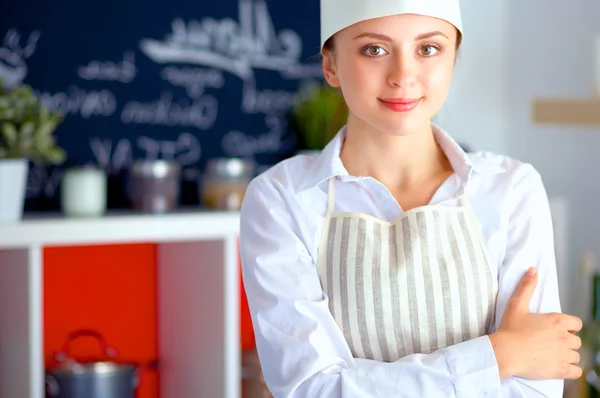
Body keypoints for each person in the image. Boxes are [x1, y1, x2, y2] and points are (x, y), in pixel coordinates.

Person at [239, 0, 583, 396]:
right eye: (374, 49)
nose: (403, 76)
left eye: (428, 49)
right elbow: (312, 389)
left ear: (453, 57)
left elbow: (535, 385)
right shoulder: (281, 200)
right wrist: (499, 356)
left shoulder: (511, 190)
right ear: (330, 65)